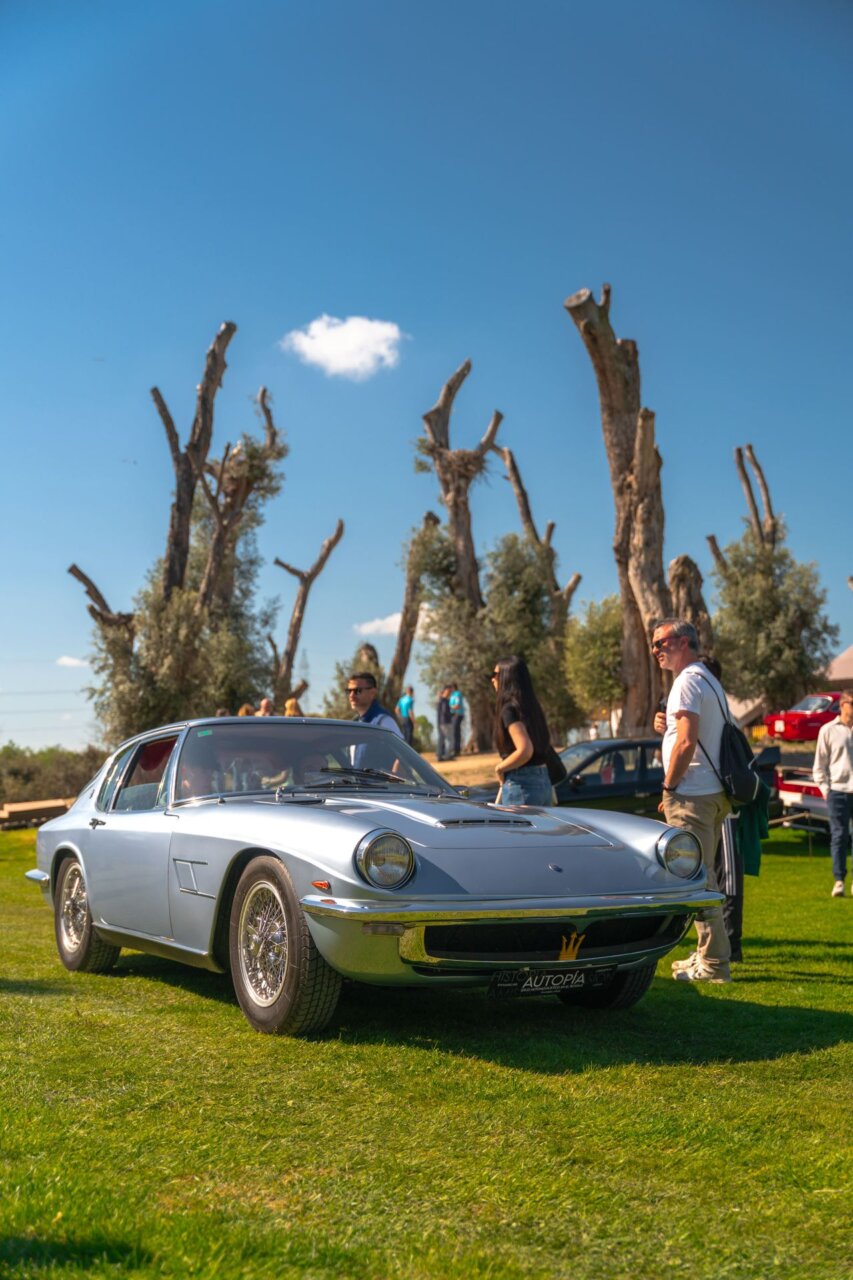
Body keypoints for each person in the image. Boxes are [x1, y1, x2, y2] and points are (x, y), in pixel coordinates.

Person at [651, 617, 733, 983]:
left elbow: (686, 742)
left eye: (661, 642)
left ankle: (714, 964)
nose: (655, 650)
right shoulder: (706, 679)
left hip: (692, 794)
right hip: (709, 791)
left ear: (683, 642)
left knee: (698, 880)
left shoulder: (686, 681)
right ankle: (705, 954)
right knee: (703, 874)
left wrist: (669, 786)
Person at [490, 656, 552, 806]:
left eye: (495, 674)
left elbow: (525, 750)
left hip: (521, 784)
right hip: (544, 781)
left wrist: (500, 768)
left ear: (507, 677)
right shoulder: (532, 708)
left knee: (518, 824)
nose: (492, 679)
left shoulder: (509, 710)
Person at [813, 689, 853, 897]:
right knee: (839, 836)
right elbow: (819, 764)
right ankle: (839, 881)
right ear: (843, 705)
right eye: (852, 703)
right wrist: (825, 789)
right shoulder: (828, 730)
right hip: (837, 791)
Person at [346, 672, 403, 737]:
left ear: (372, 692)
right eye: (349, 691)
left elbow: (398, 743)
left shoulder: (384, 722)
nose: (351, 695)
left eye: (357, 691)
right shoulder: (356, 721)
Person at [436, 685, 453, 761]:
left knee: (441, 739)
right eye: (449, 691)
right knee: (449, 739)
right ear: (445, 691)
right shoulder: (444, 700)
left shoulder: (440, 700)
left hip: (441, 722)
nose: (450, 692)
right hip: (446, 722)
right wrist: (452, 715)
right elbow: (444, 711)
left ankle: (439, 755)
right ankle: (447, 755)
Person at [448, 684, 465, 757]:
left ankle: (456, 749)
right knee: (455, 732)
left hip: (457, 714)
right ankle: (455, 749)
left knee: (456, 732)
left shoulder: (457, 694)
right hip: (453, 714)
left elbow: (457, 705)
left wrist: (449, 707)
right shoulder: (452, 695)